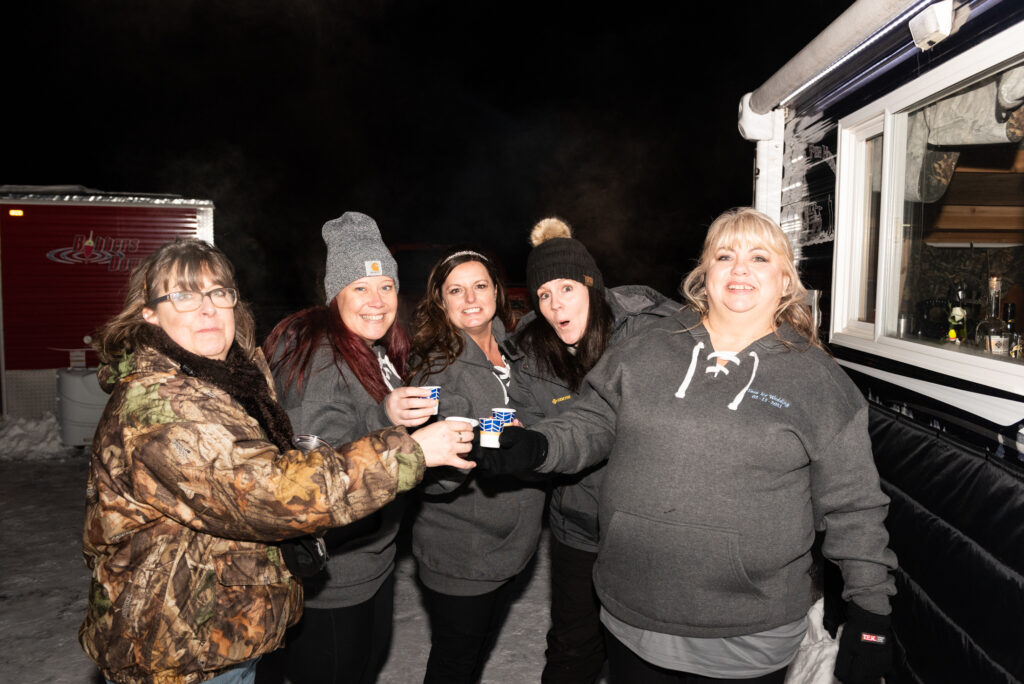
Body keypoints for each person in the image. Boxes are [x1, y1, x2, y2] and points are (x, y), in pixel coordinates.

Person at [474, 208, 898, 684]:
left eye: (759, 257)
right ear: (704, 274)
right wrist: (538, 446)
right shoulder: (646, 348)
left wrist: (870, 611)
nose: (739, 268)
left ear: (785, 281)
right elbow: (591, 421)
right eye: (724, 255)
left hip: (749, 629)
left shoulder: (818, 380)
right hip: (634, 613)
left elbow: (855, 506)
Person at [79, 238, 477, 684]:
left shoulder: (226, 379)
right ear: (149, 313)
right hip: (176, 653)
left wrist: (391, 420)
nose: (207, 308)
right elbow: (272, 492)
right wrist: (412, 451)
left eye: (218, 293)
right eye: (184, 295)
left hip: (219, 631)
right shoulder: (163, 406)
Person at [262, 212, 438, 684]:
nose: (377, 301)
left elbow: (361, 424)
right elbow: (315, 483)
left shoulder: (369, 348)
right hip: (335, 578)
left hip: (368, 561)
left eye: (386, 286)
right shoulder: (322, 362)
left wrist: (388, 414)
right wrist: (392, 426)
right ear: (334, 294)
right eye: (360, 287)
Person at [509, 217, 680, 683]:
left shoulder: (649, 334)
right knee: (573, 647)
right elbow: (543, 445)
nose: (556, 305)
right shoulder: (530, 354)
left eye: (566, 288)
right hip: (579, 525)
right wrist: (522, 447)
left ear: (592, 287)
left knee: (645, 651)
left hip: (648, 524)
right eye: (544, 294)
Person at [406, 248, 547, 684]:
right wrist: (472, 448)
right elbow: (429, 475)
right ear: (440, 301)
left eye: (480, 285)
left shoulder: (515, 349)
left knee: (474, 657)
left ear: (497, 292)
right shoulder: (434, 367)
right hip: (462, 552)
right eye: (456, 290)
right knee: (454, 666)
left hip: (514, 544)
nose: (470, 298)